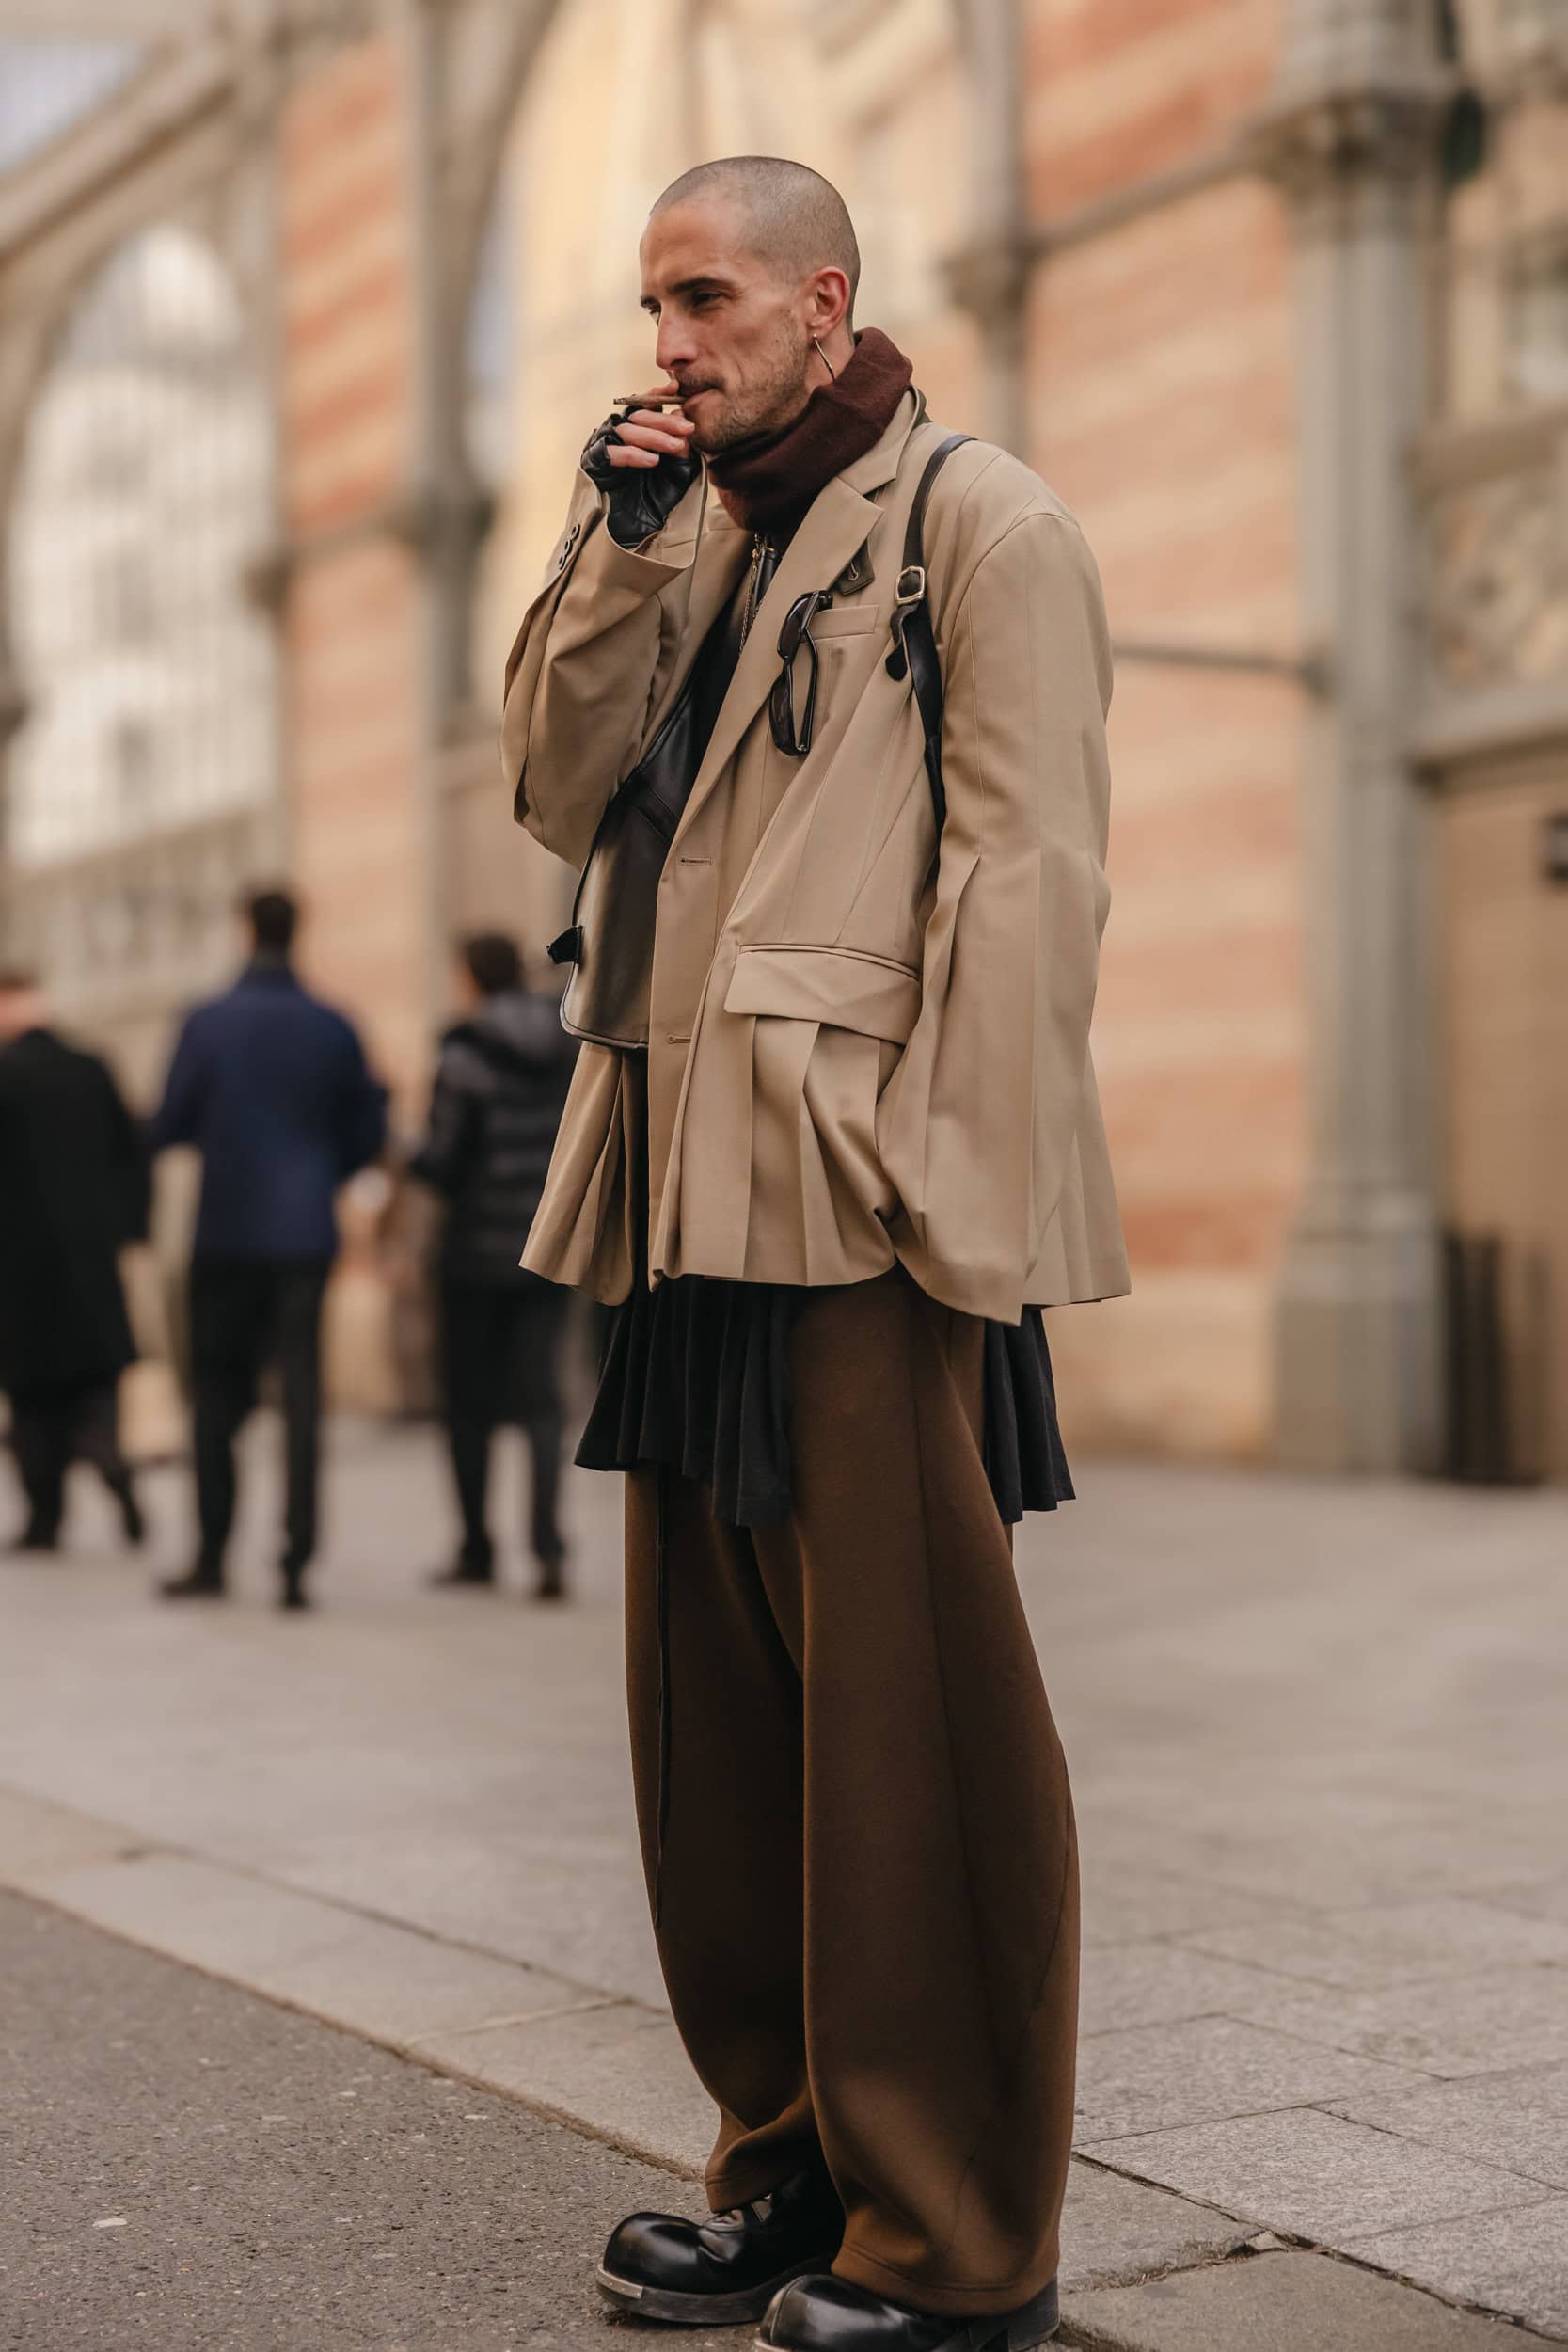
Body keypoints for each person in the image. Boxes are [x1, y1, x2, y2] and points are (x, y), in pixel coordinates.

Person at [499, 157, 1128, 2352]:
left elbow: (1031, 882)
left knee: (909, 1738)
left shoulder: (982, 525)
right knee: (725, 1738)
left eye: (704, 297)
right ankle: (788, 2171)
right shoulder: (693, 533)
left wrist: (952, 1210)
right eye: (653, 305)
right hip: (680, 1180)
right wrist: (619, 540)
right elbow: (552, 782)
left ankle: (954, 2243)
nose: (668, 341)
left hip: (861, 1206)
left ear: (819, 297)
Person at [148, 887, 387, 1611]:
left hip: (225, 1232)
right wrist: (320, 1173)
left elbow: (169, 1124)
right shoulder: (333, 1025)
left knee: (216, 1399)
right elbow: (367, 1133)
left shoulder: (207, 1021)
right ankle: (295, 1560)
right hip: (306, 1233)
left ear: (245, 929)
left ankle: (212, 1556)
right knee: (304, 1400)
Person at [409, 932, 576, 1598]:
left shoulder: (463, 1048)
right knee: (541, 1404)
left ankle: (478, 1549)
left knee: (469, 1405)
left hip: (473, 1253)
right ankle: (548, 1552)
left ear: (470, 978)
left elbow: (443, 1159)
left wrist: (409, 1157)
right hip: (547, 1246)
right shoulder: (569, 1041)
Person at [0, 970, 150, 1554]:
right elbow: (133, 1152)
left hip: (21, 1268)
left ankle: (46, 1519)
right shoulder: (91, 1068)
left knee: (35, 1400)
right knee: (95, 1387)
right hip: (90, 1259)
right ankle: (111, 1462)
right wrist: (129, 1231)